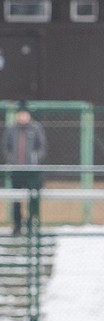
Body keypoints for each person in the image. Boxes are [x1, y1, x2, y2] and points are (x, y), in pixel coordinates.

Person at [2, 100, 47, 236]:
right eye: (20, 114)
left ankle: (31, 224)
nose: (22, 117)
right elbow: (5, 147)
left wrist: (35, 159)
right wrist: (11, 159)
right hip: (16, 171)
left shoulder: (36, 128)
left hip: (32, 171)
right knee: (16, 200)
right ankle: (17, 226)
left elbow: (42, 147)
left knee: (32, 199)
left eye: (24, 114)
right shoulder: (11, 129)